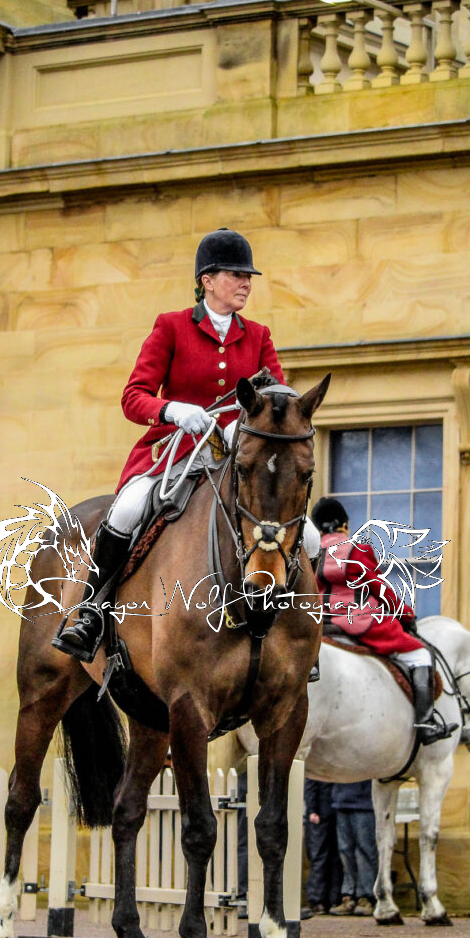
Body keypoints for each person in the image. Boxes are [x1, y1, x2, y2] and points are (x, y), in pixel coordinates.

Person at [54, 228, 322, 661]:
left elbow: (278, 400)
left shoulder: (258, 336)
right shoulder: (172, 327)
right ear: (207, 280)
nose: (246, 283)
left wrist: (248, 425)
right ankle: (91, 613)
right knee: (126, 510)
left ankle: (301, 636)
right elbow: (133, 397)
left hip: (236, 460)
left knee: (308, 538)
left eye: (248, 277)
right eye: (236, 275)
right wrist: (173, 410)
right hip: (174, 454)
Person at [311, 497, 454, 744]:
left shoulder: (309, 554)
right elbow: (379, 588)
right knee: (420, 654)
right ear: (344, 525)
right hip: (358, 621)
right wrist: (405, 614)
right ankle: (425, 724)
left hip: (318, 623)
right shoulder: (357, 549)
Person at [329, 779, 378, 916]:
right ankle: (348, 896)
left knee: (364, 851)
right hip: (341, 802)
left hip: (365, 803)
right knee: (345, 851)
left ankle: (366, 897)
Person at [303, 777, 343, 915]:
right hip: (320, 815)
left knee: (335, 858)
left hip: (334, 812)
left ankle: (333, 898)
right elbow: (311, 786)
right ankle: (317, 899)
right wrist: (312, 810)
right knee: (320, 857)